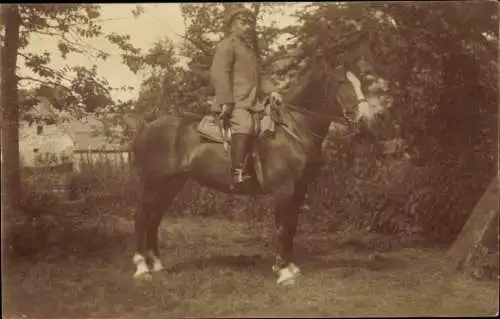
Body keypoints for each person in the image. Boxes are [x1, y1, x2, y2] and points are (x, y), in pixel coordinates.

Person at [210, 7, 281, 188]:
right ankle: (237, 171)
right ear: (232, 26)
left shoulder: (250, 50)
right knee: (245, 124)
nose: (247, 26)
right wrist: (225, 102)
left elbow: (261, 76)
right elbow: (220, 73)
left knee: (275, 122)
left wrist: (272, 90)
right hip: (236, 102)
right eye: (242, 22)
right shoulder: (227, 45)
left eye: (249, 22)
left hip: (254, 101)